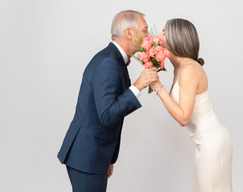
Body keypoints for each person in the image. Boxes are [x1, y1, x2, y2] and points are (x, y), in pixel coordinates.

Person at [57, 10, 158, 192]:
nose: (149, 36)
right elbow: (107, 114)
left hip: (95, 155)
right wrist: (138, 85)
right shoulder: (108, 63)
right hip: (87, 156)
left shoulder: (114, 59)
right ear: (129, 33)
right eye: (144, 31)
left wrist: (108, 158)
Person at [150, 18, 233, 192]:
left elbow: (183, 118)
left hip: (212, 142)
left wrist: (158, 87)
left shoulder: (188, 69)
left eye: (164, 32)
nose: (158, 36)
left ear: (176, 37)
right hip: (205, 142)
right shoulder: (179, 67)